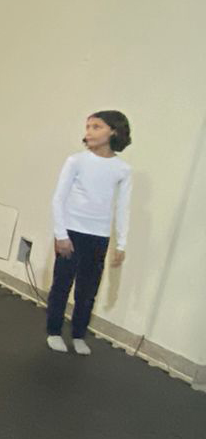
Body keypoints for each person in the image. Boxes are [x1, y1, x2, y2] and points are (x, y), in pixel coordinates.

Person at [45, 111, 133, 356]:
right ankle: (53, 331)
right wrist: (60, 234)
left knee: (87, 289)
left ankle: (78, 334)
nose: (89, 132)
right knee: (62, 284)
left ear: (113, 131)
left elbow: (123, 207)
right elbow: (58, 199)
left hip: (99, 235)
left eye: (96, 127)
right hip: (72, 232)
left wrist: (121, 243)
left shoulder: (122, 169)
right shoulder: (76, 161)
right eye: (88, 127)